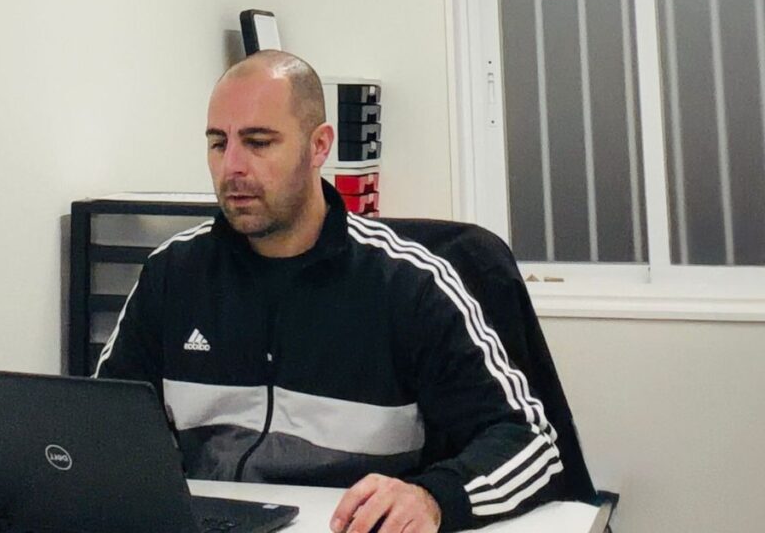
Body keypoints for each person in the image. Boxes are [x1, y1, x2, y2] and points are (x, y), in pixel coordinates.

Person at [94, 50, 564, 532]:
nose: (232, 166)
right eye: (218, 143)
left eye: (258, 142)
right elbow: (99, 429)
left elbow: (531, 444)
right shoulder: (172, 274)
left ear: (319, 146)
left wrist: (432, 498)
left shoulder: (409, 283)